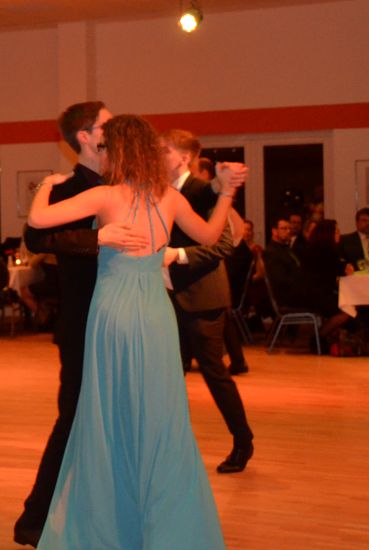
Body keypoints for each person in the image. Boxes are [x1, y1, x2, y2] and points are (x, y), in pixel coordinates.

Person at [28, 115, 244, 549]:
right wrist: (226, 194)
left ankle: (114, 520)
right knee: (159, 417)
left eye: (106, 148)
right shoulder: (169, 197)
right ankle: (163, 525)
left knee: (111, 414)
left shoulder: (105, 195)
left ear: (119, 151)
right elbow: (210, 235)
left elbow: (37, 220)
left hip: (114, 313)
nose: (102, 155)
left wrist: (45, 185)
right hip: (155, 314)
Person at [13, 101, 150, 547]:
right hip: (84, 321)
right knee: (74, 418)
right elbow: (36, 237)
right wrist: (96, 238)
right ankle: (34, 520)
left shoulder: (123, 183)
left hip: (125, 319)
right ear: (85, 137)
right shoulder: (66, 187)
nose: (115, 127)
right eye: (105, 124)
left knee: (124, 420)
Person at [161, 129, 254, 474]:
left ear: (183, 158)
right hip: (165, 296)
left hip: (202, 297)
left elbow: (222, 245)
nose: (156, 156)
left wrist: (177, 255)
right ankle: (171, 449)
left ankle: (243, 441)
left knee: (215, 373)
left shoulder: (203, 191)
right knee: (168, 375)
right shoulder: (159, 192)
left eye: (163, 150)